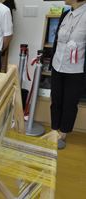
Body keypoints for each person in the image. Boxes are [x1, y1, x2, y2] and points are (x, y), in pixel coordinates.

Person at [50, 0, 86, 149]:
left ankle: (63, 134)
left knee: (70, 103)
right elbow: (57, 42)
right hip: (57, 65)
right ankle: (53, 130)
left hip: (76, 70)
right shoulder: (65, 14)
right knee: (56, 99)